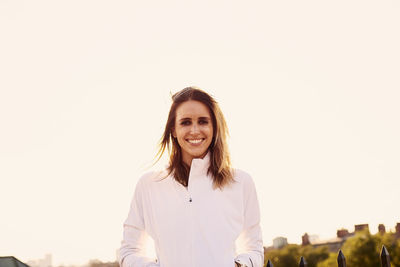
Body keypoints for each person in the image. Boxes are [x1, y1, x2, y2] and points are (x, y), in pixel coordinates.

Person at [118, 87, 263, 267]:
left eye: (203, 122)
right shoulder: (148, 185)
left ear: (214, 127)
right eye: (185, 122)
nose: (195, 130)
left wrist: (240, 265)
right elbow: (129, 251)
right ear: (173, 129)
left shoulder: (241, 182)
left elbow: (254, 248)